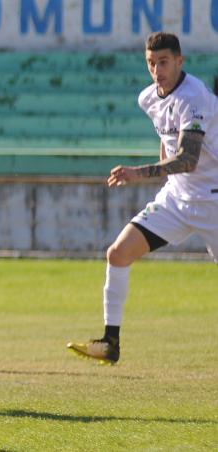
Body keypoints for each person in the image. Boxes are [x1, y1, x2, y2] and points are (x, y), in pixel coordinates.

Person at [67, 31, 218, 365]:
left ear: (180, 61)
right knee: (118, 254)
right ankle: (110, 343)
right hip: (177, 199)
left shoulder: (194, 97)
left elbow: (189, 160)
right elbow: (168, 148)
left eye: (164, 62)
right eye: (151, 63)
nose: (157, 70)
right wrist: (161, 175)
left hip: (214, 199)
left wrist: (139, 172)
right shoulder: (148, 98)